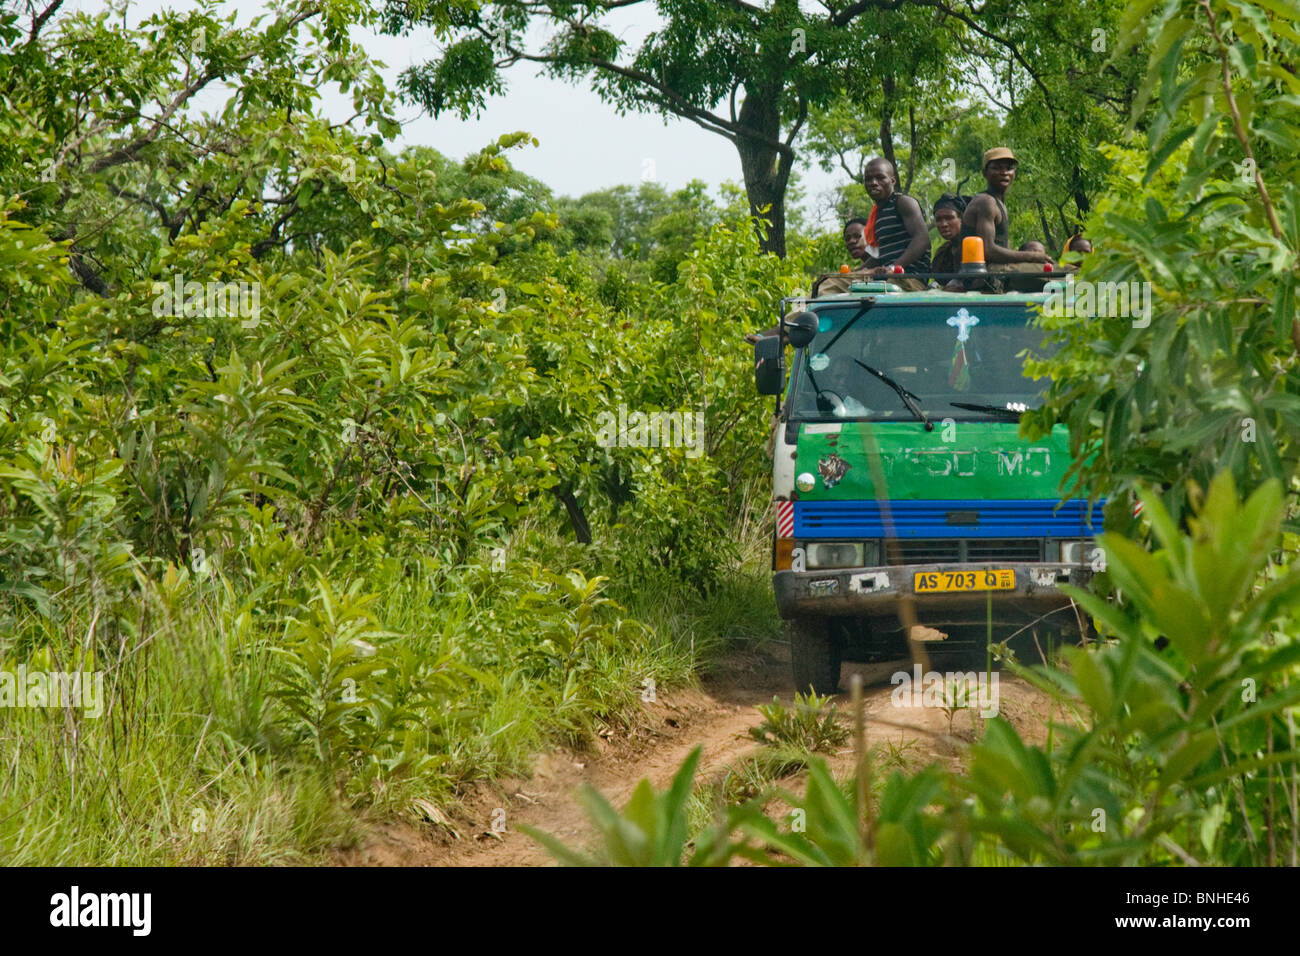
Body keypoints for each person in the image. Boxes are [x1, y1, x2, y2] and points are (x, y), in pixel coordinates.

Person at [958, 148, 1046, 266]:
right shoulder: (986, 202)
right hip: (982, 278)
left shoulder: (999, 203)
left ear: (1014, 174)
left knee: (1063, 272)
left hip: (998, 272)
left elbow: (1002, 246)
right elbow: (987, 250)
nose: (1004, 172)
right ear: (985, 173)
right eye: (996, 168)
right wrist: (1031, 256)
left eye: (1009, 168)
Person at [860, 157, 931, 287]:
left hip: (909, 278)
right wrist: (854, 273)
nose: (873, 183)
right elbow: (880, 256)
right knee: (830, 283)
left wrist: (893, 267)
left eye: (880, 178)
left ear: (893, 180)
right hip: (885, 278)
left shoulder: (903, 202)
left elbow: (922, 239)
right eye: (868, 179)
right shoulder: (878, 214)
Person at [930, 193, 967, 275]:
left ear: (962, 219)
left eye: (949, 218)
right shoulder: (942, 254)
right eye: (938, 220)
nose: (943, 224)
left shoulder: (975, 246)